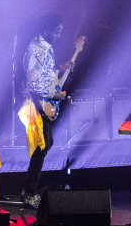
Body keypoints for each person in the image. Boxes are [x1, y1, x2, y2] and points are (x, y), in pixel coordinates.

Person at [17, 13, 83, 209]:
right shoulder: (41, 48)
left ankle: (30, 190)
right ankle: (30, 193)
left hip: (40, 99)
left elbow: (43, 72)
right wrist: (53, 97)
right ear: (46, 31)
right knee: (41, 145)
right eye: (57, 32)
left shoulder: (40, 46)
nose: (59, 36)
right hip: (38, 101)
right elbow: (34, 81)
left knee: (45, 143)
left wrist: (59, 68)